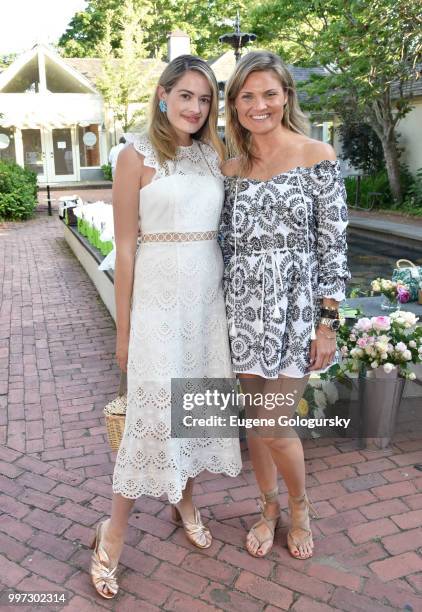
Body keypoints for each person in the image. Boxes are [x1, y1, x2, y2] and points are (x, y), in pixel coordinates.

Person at [89, 55, 242, 599]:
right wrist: (123, 331)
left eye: (205, 100)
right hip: (156, 305)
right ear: (162, 95)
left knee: (195, 406)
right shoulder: (134, 156)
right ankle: (113, 535)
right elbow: (124, 249)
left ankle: (187, 501)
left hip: (206, 304)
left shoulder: (213, 153)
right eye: (186, 96)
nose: (196, 108)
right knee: (149, 420)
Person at [219, 51, 350, 560]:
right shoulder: (230, 168)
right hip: (242, 310)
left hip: (295, 311)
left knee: (275, 424)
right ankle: (267, 507)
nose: (259, 104)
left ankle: (300, 508)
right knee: (255, 424)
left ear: (286, 96)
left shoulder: (316, 154)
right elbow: (223, 243)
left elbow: (333, 245)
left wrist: (328, 322)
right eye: (247, 96)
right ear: (235, 105)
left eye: (269, 93)